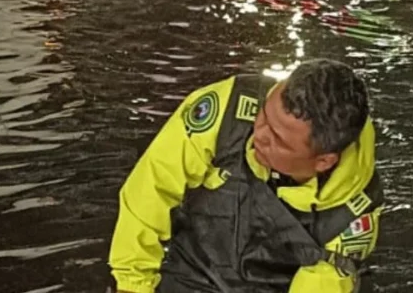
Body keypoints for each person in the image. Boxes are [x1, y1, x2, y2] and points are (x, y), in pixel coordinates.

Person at [108, 59, 384, 293]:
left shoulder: (353, 218)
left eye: (278, 139)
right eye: (264, 116)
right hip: (188, 268)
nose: (259, 136)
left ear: (324, 161)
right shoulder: (225, 108)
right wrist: (132, 285)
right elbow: (149, 192)